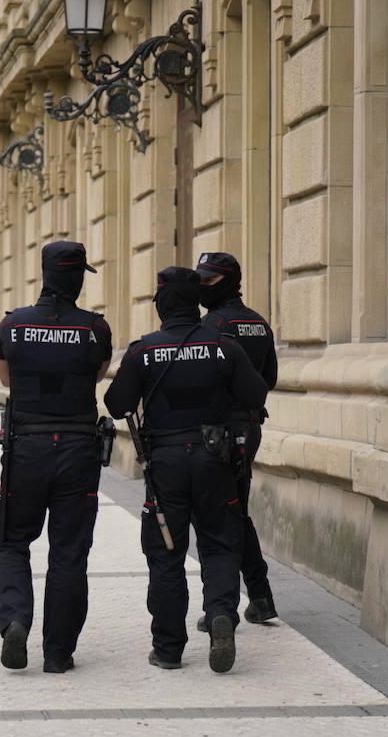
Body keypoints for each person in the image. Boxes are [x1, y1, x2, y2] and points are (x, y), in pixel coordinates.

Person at [104, 267, 267, 673]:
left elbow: (116, 403)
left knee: (166, 554)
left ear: (161, 303)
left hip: (165, 466)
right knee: (219, 545)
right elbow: (256, 394)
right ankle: (220, 615)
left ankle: (169, 648)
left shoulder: (145, 351)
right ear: (195, 302)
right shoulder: (225, 347)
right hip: (215, 459)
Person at [0, 241, 113, 674]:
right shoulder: (96, 329)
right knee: (69, 552)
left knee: (11, 541)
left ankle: (15, 621)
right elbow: (95, 378)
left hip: (26, 447)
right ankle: (59, 653)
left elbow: (8, 380)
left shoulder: (14, 326)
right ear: (79, 278)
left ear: (44, 273)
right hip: (78, 449)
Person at [195, 251, 280, 628]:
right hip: (250, 427)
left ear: (228, 280)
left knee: (216, 518)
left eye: (208, 280)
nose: (201, 286)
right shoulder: (258, 323)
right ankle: (259, 597)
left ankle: (220, 608)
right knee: (236, 512)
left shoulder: (213, 325)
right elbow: (270, 379)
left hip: (218, 433)